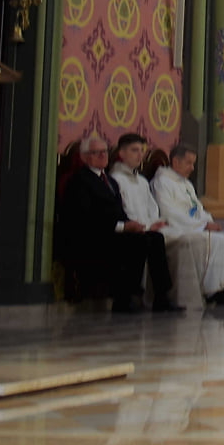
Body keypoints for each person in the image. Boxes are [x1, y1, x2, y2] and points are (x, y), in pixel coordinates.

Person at [58, 133, 177, 312]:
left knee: (155, 238)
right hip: (93, 236)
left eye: (105, 151)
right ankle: (125, 298)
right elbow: (86, 217)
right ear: (84, 157)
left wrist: (135, 225)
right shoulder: (79, 181)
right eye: (96, 152)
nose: (102, 155)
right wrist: (123, 226)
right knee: (138, 242)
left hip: (115, 231)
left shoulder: (110, 181)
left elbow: (119, 212)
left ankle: (162, 297)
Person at [108, 134, 203, 313]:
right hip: (130, 229)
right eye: (134, 150)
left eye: (141, 151)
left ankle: (163, 296)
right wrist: (146, 226)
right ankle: (137, 295)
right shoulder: (116, 180)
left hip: (149, 227)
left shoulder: (142, 181)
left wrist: (154, 223)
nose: (140, 155)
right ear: (121, 153)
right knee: (170, 240)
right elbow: (124, 211)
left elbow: (153, 209)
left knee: (165, 238)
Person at [151, 144, 224, 303]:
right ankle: (216, 291)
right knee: (217, 241)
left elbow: (198, 208)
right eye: (189, 163)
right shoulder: (162, 182)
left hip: (194, 226)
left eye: (193, 163)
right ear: (176, 162)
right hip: (177, 228)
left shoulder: (186, 184)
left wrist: (208, 222)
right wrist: (202, 226)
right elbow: (169, 213)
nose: (192, 168)